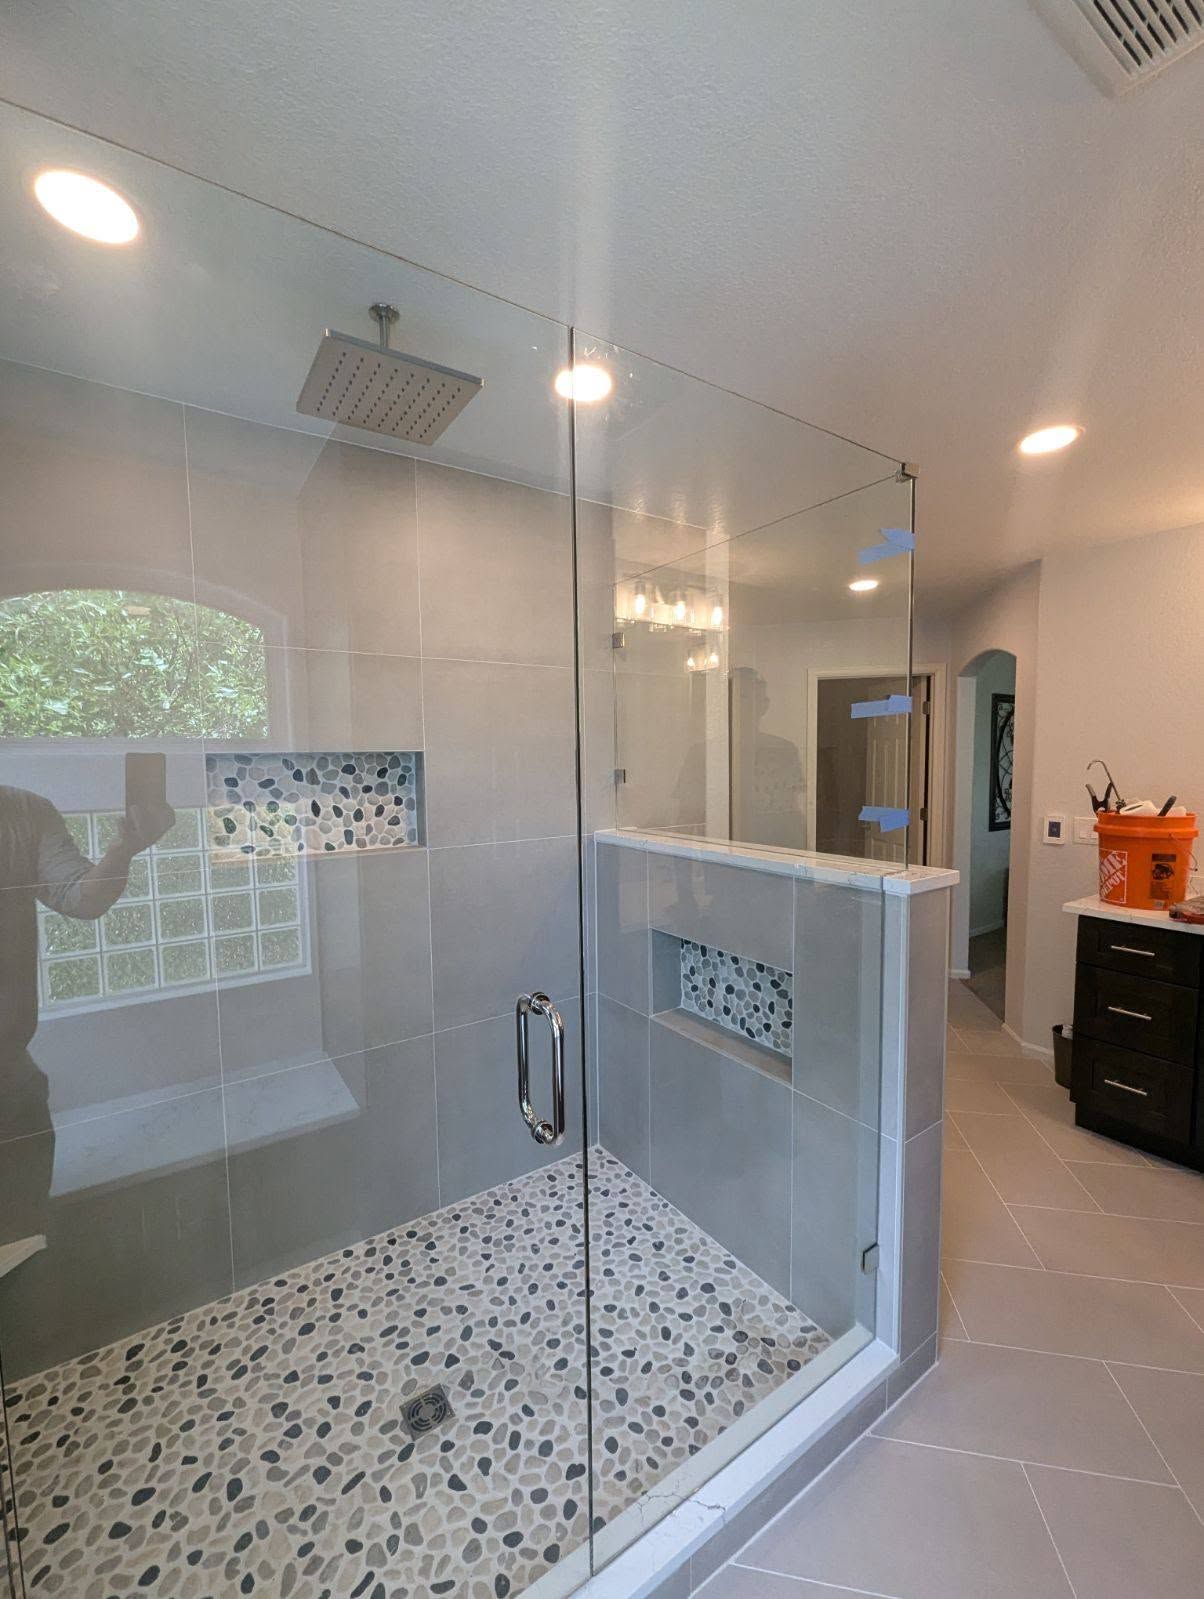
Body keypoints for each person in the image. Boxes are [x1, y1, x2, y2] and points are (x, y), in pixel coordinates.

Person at [0, 783, 175, 1260]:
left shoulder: (23, 811)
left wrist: (126, 847)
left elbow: (83, 898)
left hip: (9, 1082)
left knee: (19, 1251)